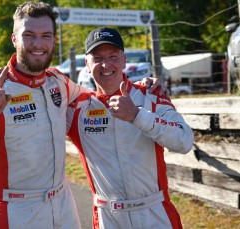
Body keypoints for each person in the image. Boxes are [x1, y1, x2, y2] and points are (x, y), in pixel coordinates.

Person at [0, 2, 88, 228]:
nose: (38, 44)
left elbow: (99, 97)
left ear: (54, 40)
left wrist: (145, 88)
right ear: (14, 39)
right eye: (29, 35)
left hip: (64, 206)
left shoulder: (58, 81)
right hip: (17, 213)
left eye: (46, 36)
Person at [66, 27, 194, 229]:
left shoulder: (151, 95)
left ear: (124, 60)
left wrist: (137, 115)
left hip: (155, 214)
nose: (106, 64)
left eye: (113, 56)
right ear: (87, 65)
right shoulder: (76, 108)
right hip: (109, 218)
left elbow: (184, 140)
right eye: (98, 58)